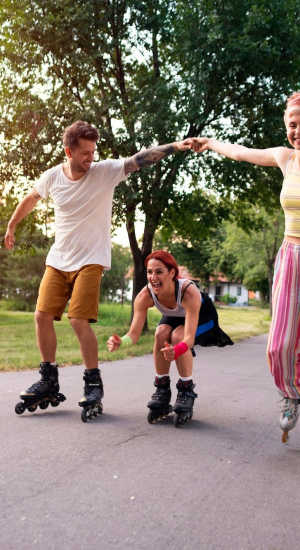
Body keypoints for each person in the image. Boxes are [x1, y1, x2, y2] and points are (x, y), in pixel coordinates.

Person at [4, 121, 192, 417]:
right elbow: (31, 198)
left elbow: (139, 159)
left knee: (78, 318)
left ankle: (93, 382)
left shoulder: (104, 172)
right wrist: (13, 224)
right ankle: (48, 378)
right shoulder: (53, 177)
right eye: (85, 153)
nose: (91, 158)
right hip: (58, 259)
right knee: (41, 316)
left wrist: (174, 146)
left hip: (91, 260)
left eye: (93, 151)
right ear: (69, 151)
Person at [190, 91, 300, 441]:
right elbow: (241, 153)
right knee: (278, 344)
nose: (296, 130)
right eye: (291, 124)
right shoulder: (286, 158)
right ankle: (289, 394)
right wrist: (209, 142)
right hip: (291, 255)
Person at [107, 250, 233, 425]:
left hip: (203, 317)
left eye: (159, 272)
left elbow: (188, 338)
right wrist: (121, 341)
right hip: (176, 315)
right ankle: (162, 389)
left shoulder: (188, 292)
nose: (153, 277)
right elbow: (134, 334)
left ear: (172, 273)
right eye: (150, 272)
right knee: (160, 333)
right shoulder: (145, 295)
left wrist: (178, 349)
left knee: (177, 336)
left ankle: (186, 390)